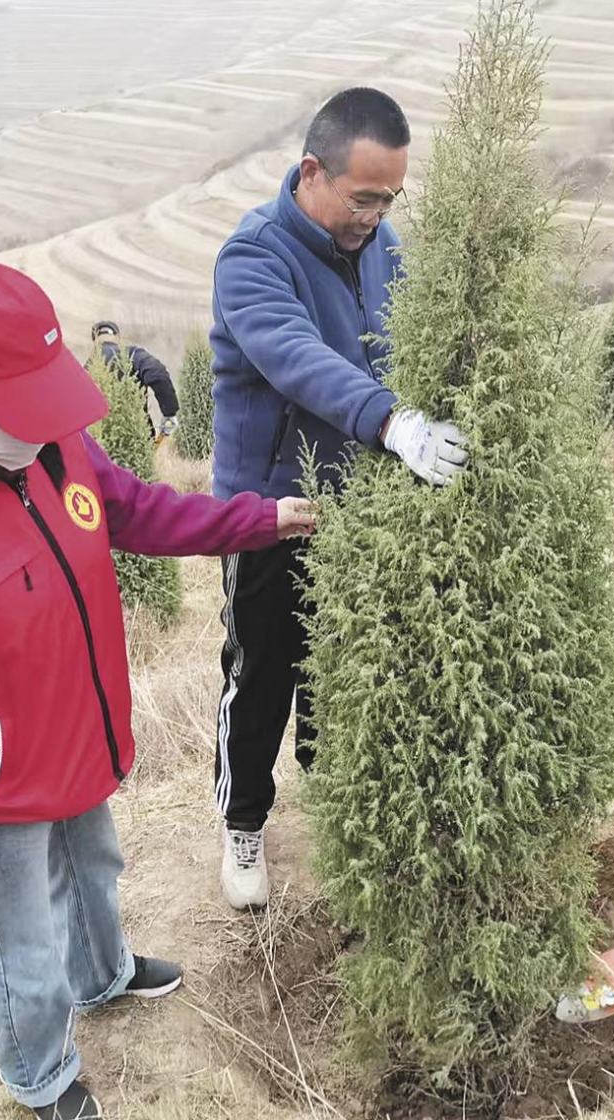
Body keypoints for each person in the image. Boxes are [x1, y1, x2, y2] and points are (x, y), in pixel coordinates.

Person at [0, 259, 317, 1120]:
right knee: (17, 939)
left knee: (94, 868)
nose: (46, 431)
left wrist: (257, 518)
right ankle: (37, 1069)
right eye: (21, 412)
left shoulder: (51, 442)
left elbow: (135, 510)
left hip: (77, 734)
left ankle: (103, 975)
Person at [209, 87, 470, 911]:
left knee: (343, 673)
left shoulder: (382, 247)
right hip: (272, 511)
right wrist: (390, 421)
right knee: (262, 677)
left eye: (390, 198)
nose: (376, 215)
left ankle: (340, 810)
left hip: (357, 511)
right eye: (364, 197)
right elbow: (293, 357)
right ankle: (243, 825)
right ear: (312, 171)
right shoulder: (253, 257)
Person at [88, 321, 180, 439]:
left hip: (98, 447)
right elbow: (157, 372)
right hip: (138, 442)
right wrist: (169, 412)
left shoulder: (86, 369)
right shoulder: (131, 354)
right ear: (118, 338)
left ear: (95, 342)